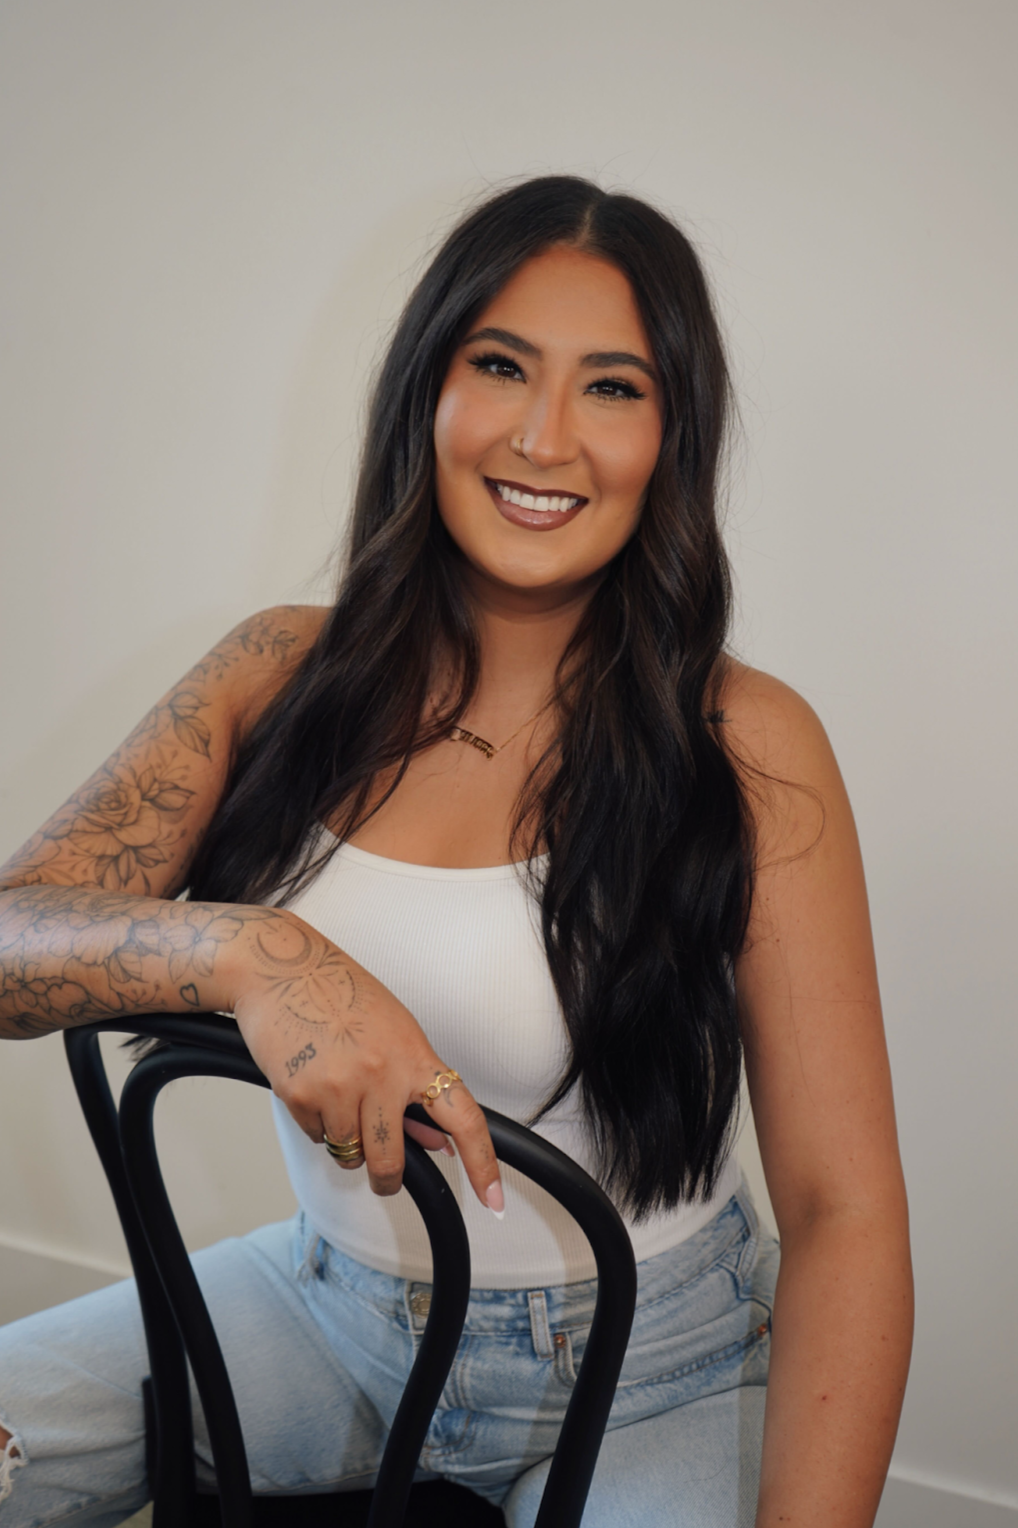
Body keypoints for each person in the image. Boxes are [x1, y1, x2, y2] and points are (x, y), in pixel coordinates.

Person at [0, 176, 912, 1527]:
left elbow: (844, 1211)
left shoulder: (749, 741)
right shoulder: (275, 670)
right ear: (426, 388)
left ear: (671, 434)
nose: (545, 438)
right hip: (326, 1309)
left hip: (660, 1363)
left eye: (612, 387)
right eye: (499, 366)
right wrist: (259, 953)